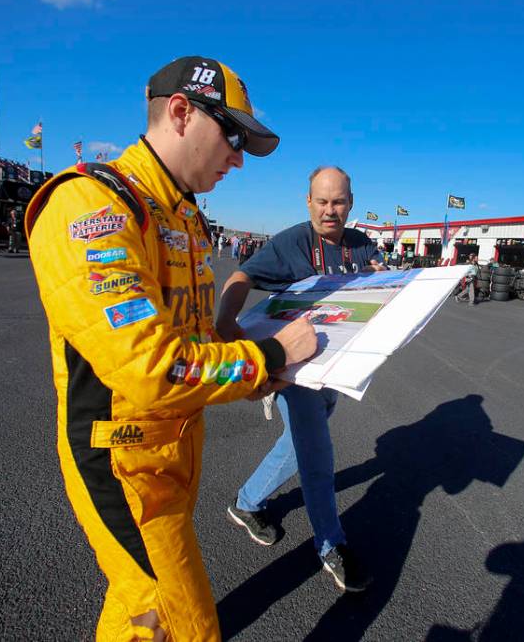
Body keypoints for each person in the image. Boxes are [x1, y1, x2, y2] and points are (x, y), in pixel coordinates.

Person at [24, 56, 318, 642]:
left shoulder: (183, 216)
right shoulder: (91, 206)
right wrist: (272, 357)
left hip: (172, 456)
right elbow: (151, 366)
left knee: (138, 614)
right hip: (121, 464)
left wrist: (259, 370)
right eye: (232, 136)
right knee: (182, 622)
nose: (238, 157)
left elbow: (194, 343)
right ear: (181, 113)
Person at [216, 165, 385, 593]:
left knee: (296, 445)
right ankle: (331, 543)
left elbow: (376, 284)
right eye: (323, 201)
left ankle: (247, 502)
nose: (331, 211)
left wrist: (381, 278)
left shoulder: (361, 244)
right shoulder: (292, 242)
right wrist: (225, 323)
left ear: (351, 203)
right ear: (308, 200)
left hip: (337, 371)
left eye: (339, 202)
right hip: (296, 374)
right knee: (318, 455)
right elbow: (241, 277)